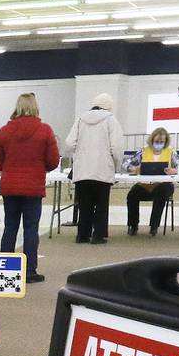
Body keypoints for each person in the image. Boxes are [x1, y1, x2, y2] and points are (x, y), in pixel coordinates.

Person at [0, 93, 60, 283]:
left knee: (10, 226)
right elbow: (53, 160)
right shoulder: (45, 130)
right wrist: (40, 167)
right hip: (33, 187)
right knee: (31, 228)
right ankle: (30, 270)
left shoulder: (5, 131)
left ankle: (5, 267)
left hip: (10, 186)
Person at [66, 92, 124, 245]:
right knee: (101, 205)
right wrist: (116, 165)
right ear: (109, 106)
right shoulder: (111, 121)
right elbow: (117, 147)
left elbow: (69, 143)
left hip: (82, 170)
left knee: (84, 205)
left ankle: (82, 235)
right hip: (102, 170)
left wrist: (78, 155)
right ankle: (98, 235)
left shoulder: (80, 119)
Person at [126, 126, 179, 236]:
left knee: (162, 193)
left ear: (166, 142)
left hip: (162, 185)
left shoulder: (170, 152)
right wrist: (133, 169)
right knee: (132, 195)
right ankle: (133, 225)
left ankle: (154, 226)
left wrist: (174, 170)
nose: (159, 143)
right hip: (145, 185)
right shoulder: (143, 151)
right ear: (152, 140)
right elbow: (126, 164)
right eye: (156, 141)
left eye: (162, 142)